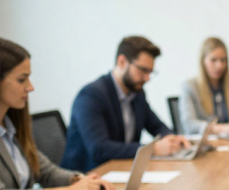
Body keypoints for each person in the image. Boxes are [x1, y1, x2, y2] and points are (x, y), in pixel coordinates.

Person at [0, 37, 114, 190]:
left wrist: (79, 181)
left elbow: (45, 172)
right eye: (22, 79)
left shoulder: (11, 121)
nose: (30, 87)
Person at [61, 36, 190, 173]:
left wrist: (171, 139)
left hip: (122, 171)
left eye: (150, 72)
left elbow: (156, 125)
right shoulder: (91, 96)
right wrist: (153, 149)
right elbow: (99, 149)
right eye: (143, 70)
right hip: (87, 177)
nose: (147, 78)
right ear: (122, 62)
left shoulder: (137, 94)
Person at [179, 37, 229, 135]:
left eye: (223, 60)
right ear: (203, 61)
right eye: (213, 60)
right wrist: (221, 128)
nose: (219, 65)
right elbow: (189, 125)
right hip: (206, 145)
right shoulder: (190, 86)